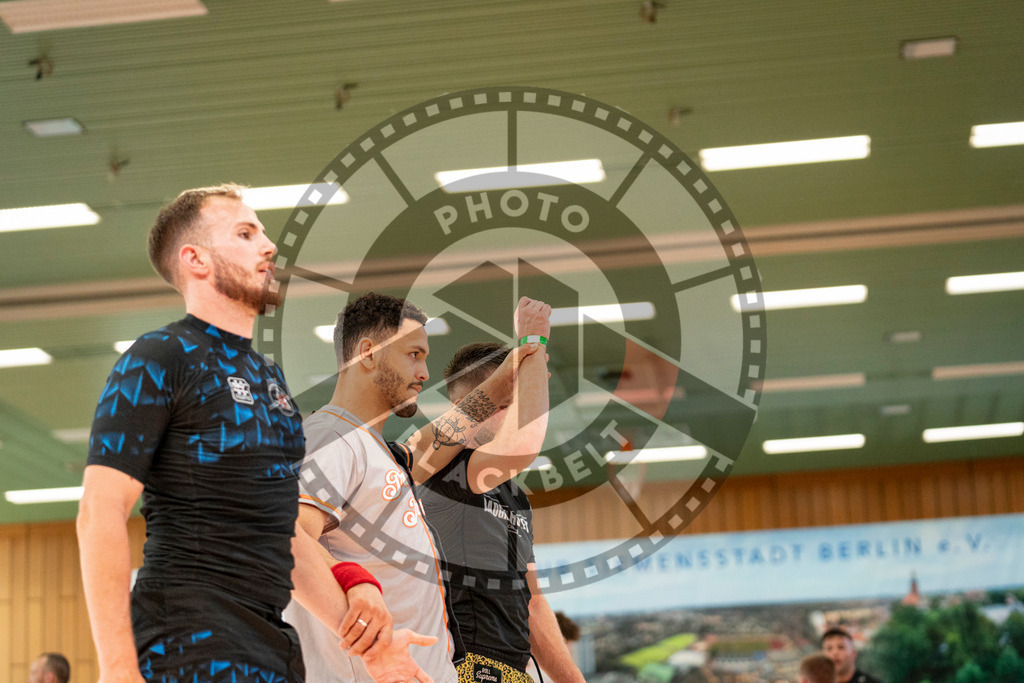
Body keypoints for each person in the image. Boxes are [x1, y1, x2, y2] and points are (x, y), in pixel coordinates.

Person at [76, 184, 370, 682]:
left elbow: (282, 535)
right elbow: (99, 511)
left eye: (263, 232)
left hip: (273, 650)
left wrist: (367, 643)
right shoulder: (159, 357)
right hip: (185, 646)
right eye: (245, 232)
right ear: (196, 259)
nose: (269, 245)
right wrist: (119, 671)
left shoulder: (269, 380)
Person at [284, 292, 546, 682]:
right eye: (413, 354)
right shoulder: (331, 437)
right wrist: (536, 346)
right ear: (368, 354)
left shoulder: (377, 451)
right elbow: (284, 539)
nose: (424, 372)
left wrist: (514, 362)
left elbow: (449, 430)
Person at [418, 335, 586, 683]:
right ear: (470, 405)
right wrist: (534, 346)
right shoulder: (444, 470)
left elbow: (533, 605)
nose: (518, 415)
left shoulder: (515, 497)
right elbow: (522, 445)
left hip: (512, 669)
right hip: (460, 665)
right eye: (507, 404)